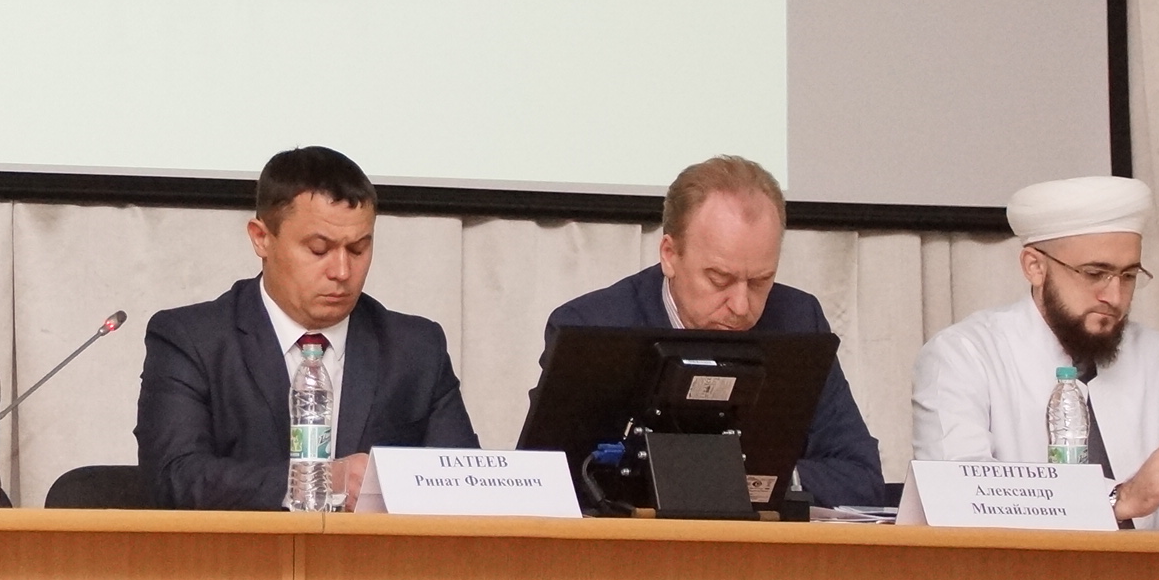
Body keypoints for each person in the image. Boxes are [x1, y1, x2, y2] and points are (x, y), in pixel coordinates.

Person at [910, 175, 1159, 529]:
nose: (1114, 297)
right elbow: (956, 498)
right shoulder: (963, 356)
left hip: (1155, 571)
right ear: (1034, 267)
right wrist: (1119, 499)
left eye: (1128, 276)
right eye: (1094, 273)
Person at [537, 155, 893, 507]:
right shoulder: (591, 327)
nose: (741, 305)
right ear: (670, 255)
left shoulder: (798, 322)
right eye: (719, 279)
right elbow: (549, 481)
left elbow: (861, 477)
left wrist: (761, 478)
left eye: (760, 281)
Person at [135, 146, 478, 509]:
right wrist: (321, 480)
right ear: (261, 238)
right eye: (318, 249)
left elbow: (464, 490)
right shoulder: (193, 340)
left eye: (358, 250)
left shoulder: (415, 349)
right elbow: (174, 477)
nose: (342, 272)